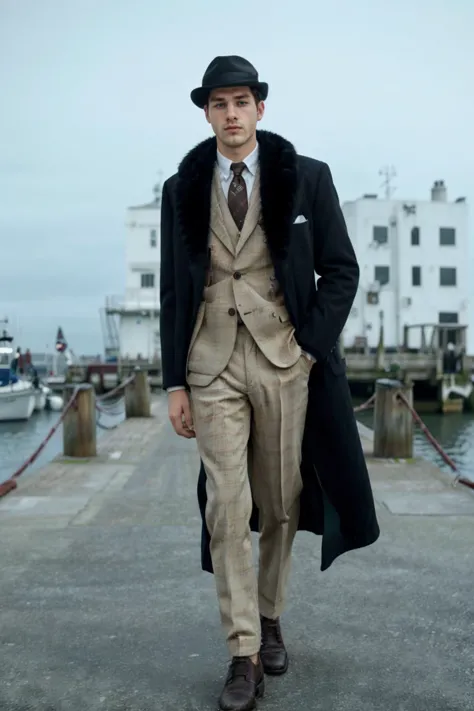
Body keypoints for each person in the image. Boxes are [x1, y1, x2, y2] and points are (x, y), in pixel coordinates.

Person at [160, 55, 379, 710]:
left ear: (260, 108)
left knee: (280, 500)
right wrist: (174, 382)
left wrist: (310, 347)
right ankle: (244, 650)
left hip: (286, 362)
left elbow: (341, 269)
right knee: (226, 505)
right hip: (212, 365)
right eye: (219, 103)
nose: (231, 114)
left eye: (241, 101)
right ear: (207, 112)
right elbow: (176, 291)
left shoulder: (307, 177)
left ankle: (272, 610)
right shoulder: (181, 186)